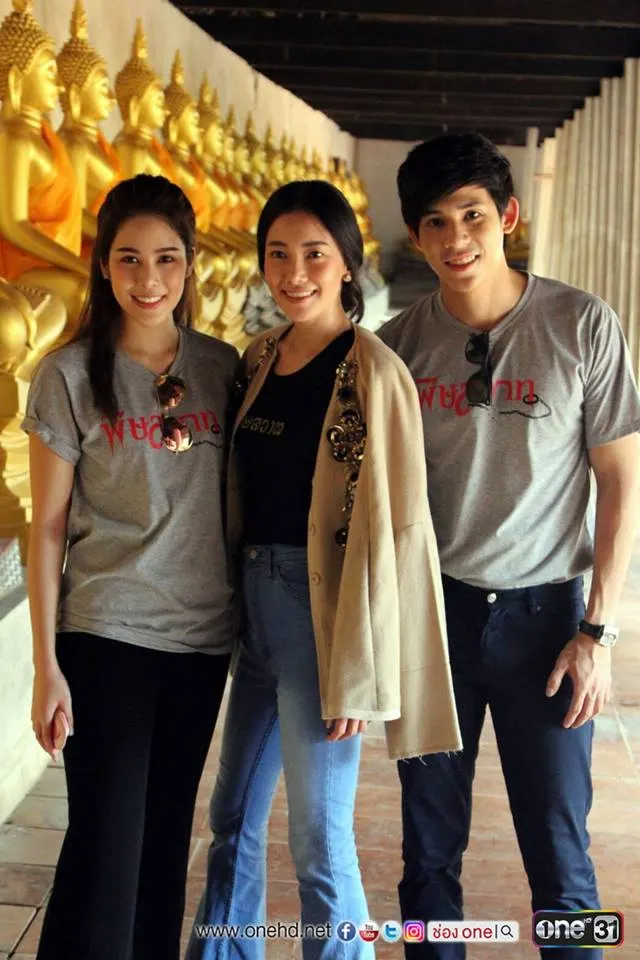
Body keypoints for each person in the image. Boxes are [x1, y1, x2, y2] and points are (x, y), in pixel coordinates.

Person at [378, 132, 640, 960]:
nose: (456, 238)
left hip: (547, 622)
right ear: (415, 236)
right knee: (427, 856)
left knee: (563, 857)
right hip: (434, 621)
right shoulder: (396, 347)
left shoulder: (581, 324)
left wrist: (598, 632)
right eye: (435, 221)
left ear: (508, 217)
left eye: (473, 216)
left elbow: (621, 482)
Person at [187, 179, 461, 960]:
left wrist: (363, 666)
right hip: (255, 620)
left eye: (314, 253)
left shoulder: (375, 372)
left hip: (324, 624)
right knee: (232, 818)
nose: (294, 272)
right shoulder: (258, 358)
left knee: (317, 838)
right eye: (278, 254)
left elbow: (402, 530)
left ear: (348, 263)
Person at [24, 174, 237, 960]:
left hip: (201, 641)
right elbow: (47, 527)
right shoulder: (68, 374)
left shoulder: (222, 367)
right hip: (105, 634)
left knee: (161, 841)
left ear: (190, 264)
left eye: (167, 259)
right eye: (129, 259)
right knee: (108, 842)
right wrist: (45, 665)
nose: (149, 280)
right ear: (103, 264)